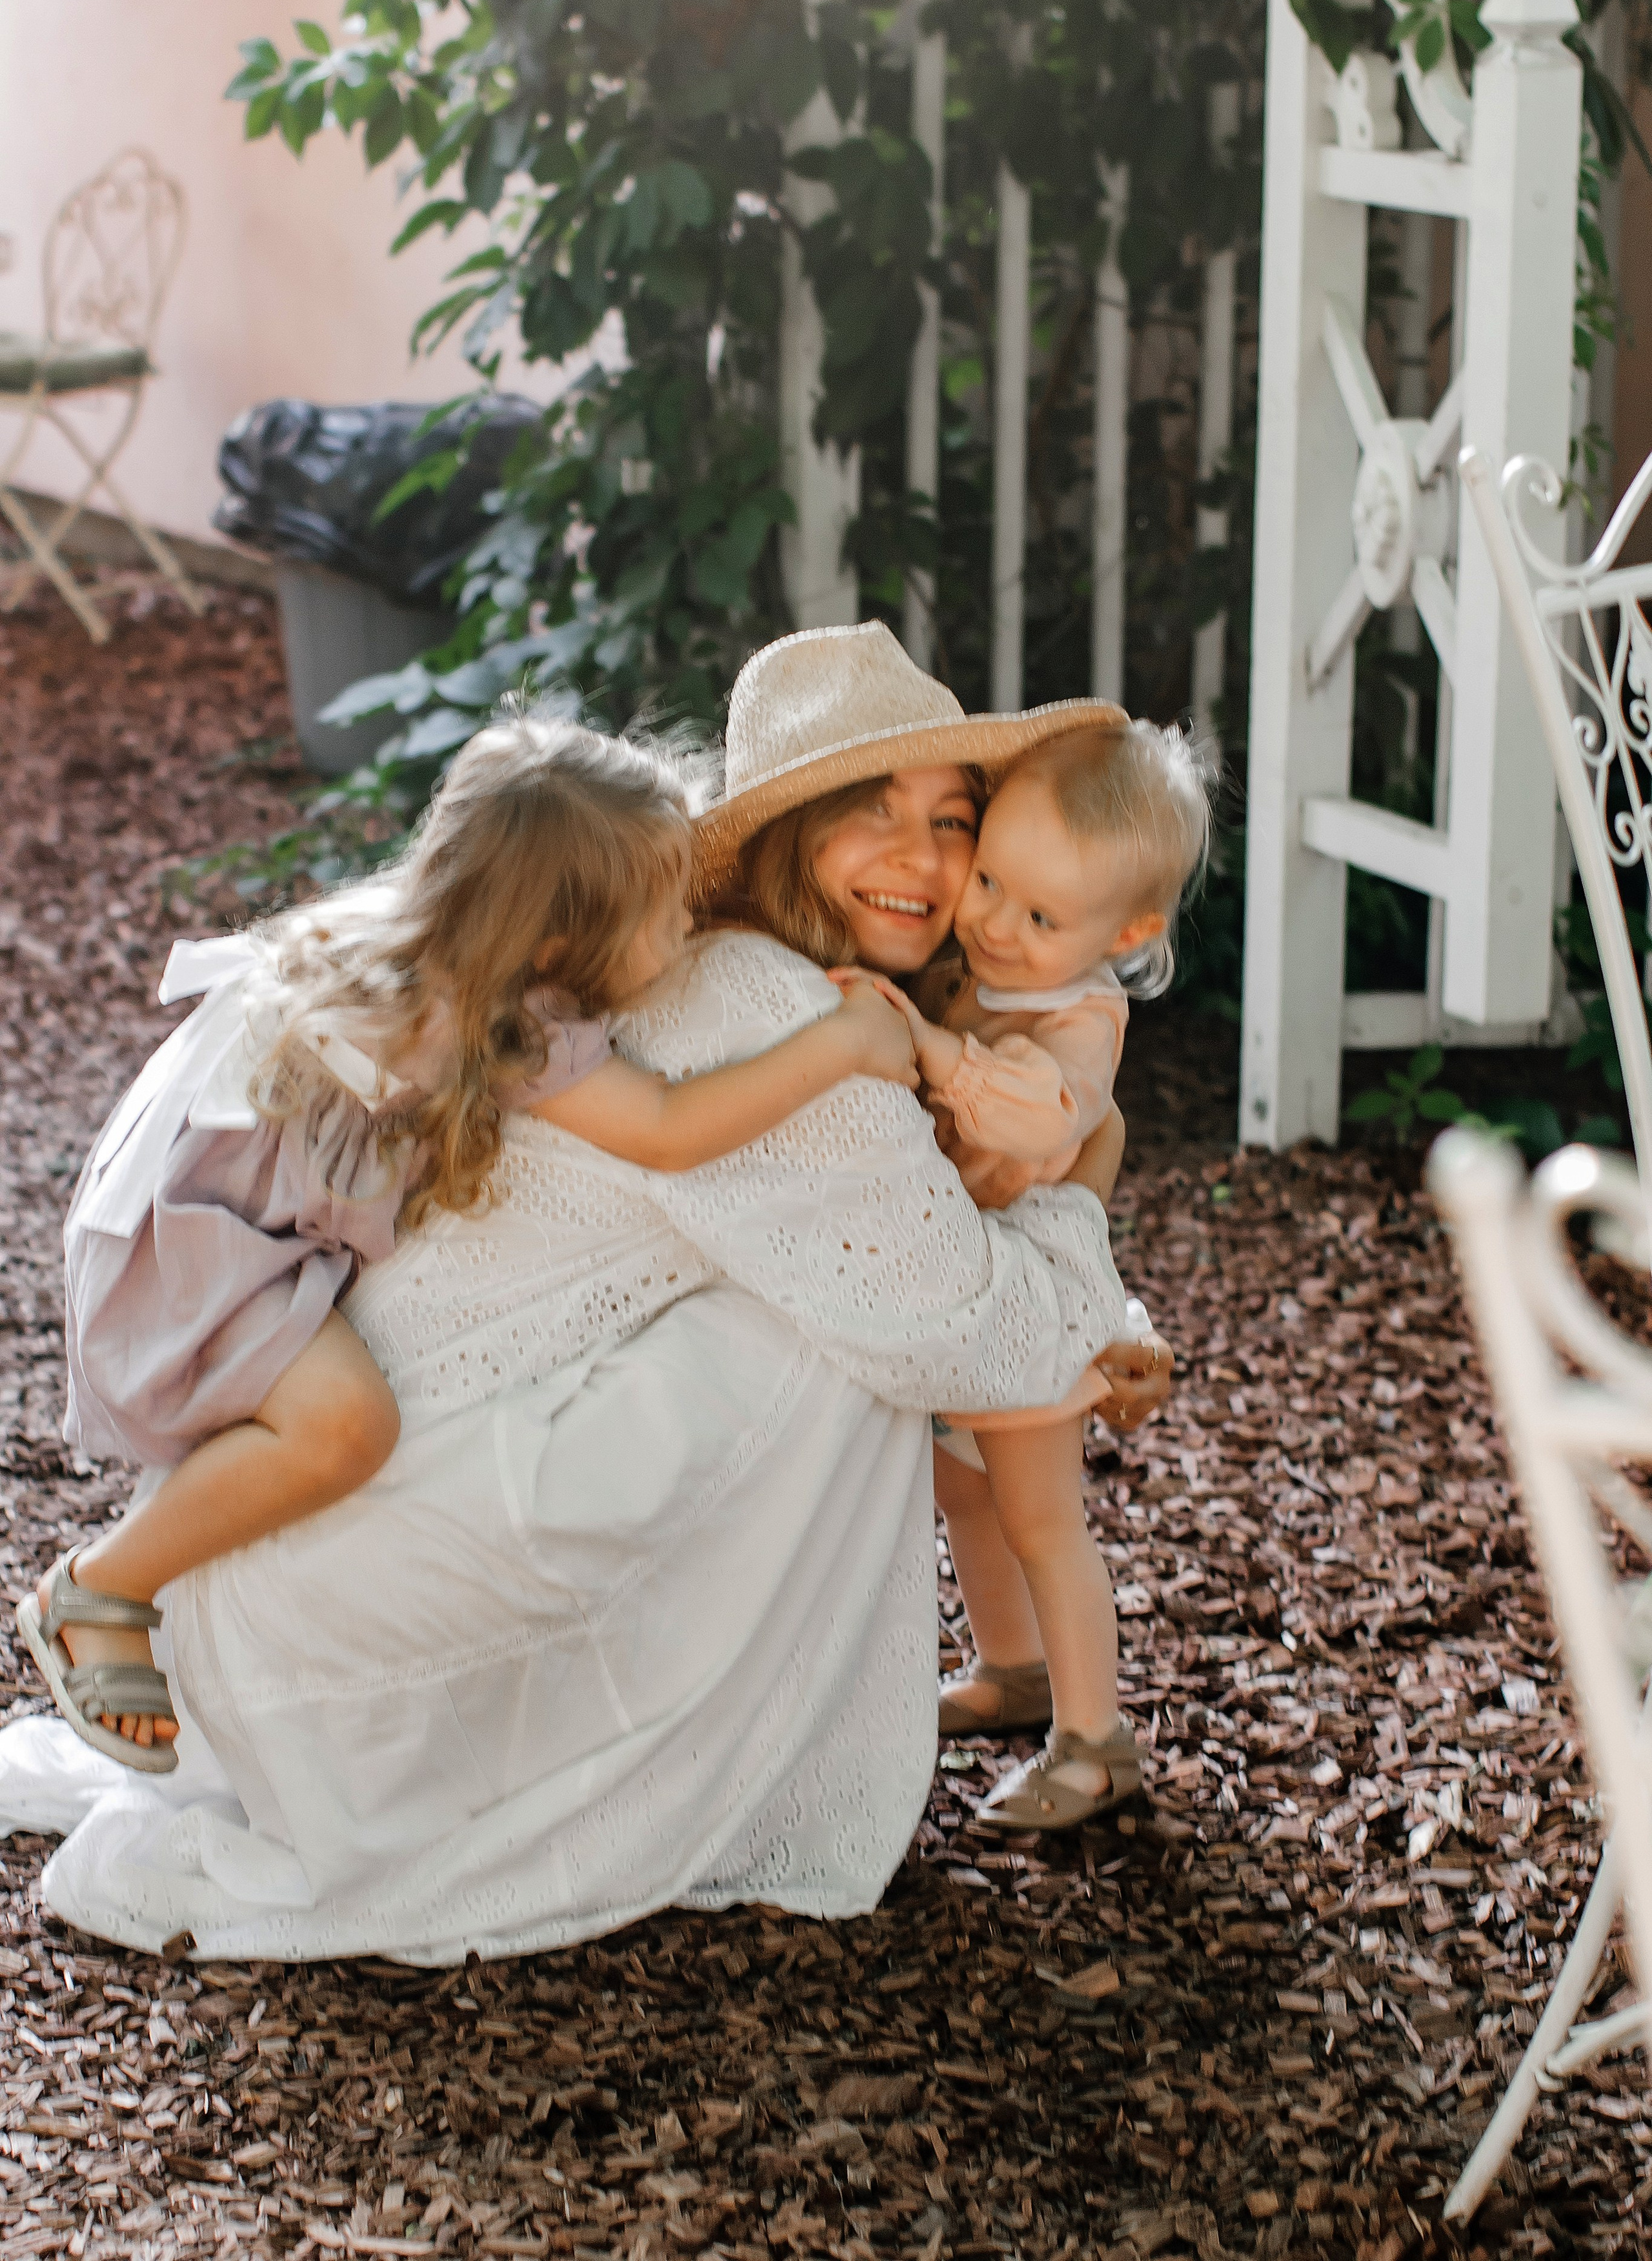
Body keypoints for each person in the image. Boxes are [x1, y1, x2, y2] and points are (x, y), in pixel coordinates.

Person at [4, 622, 1168, 1962]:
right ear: (789, 831)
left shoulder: (678, 967)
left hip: (303, 1559)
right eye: (872, 811)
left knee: (825, 1326)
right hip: (342, 1606)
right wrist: (1094, 1185)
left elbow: (930, 1258)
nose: (922, 857)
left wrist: (1082, 1303)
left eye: (951, 820)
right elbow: (960, 1324)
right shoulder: (776, 1009)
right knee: (834, 1355)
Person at [25, 718, 916, 1776]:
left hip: (180, 1203)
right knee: (347, 1429)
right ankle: (100, 1589)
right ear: (558, 948)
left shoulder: (428, 937)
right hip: (204, 1254)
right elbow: (669, 1130)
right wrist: (840, 1044)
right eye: (667, 908)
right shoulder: (503, 1021)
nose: (688, 923)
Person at [852, 720, 1209, 1830]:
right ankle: (1011, 1668)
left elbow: (1049, 1116)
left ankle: (1095, 1742)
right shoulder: (992, 972)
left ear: (1128, 933)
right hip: (972, 1288)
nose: (997, 924)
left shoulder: (1080, 1015)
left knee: (1043, 1519)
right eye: (991, 882)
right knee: (965, 1492)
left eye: (1041, 916)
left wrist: (932, 1049)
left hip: (1032, 1300)